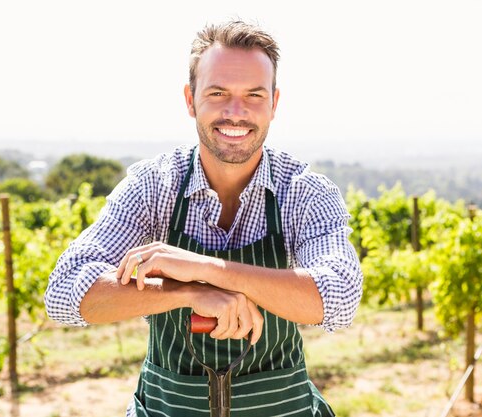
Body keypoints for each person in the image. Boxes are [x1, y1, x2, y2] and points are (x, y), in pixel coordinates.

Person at [45, 19, 363, 416]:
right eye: (218, 93)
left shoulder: (303, 191)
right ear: (190, 99)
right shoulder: (154, 185)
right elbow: (64, 292)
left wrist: (204, 268)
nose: (236, 112)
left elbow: (339, 297)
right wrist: (187, 292)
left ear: (274, 104)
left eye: (253, 95)